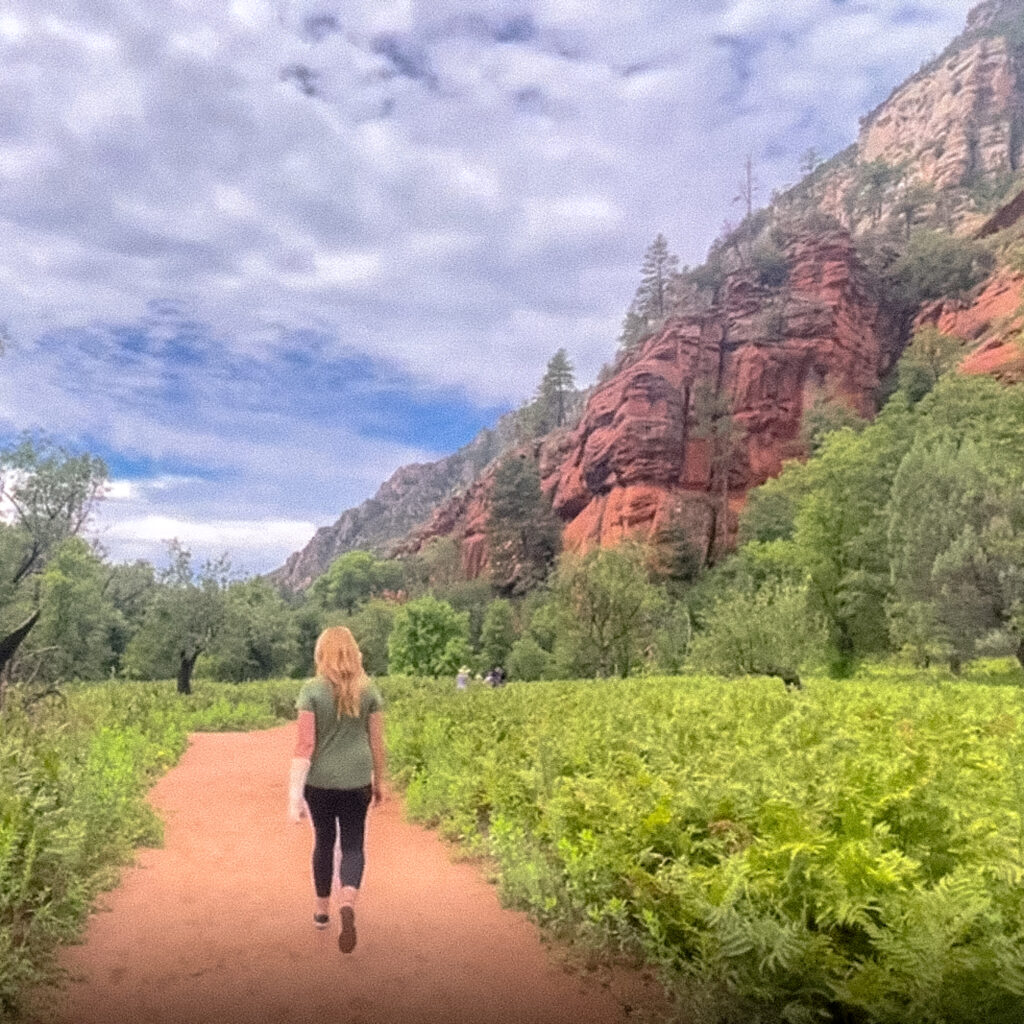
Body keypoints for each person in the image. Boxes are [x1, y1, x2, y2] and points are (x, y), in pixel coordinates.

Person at [288, 626, 386, 953]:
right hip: (358, 778)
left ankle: (320, 911)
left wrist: (295, 792)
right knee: (354, 844)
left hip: (320, 781)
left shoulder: (311, 691)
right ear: (353, 652)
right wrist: (380, 782)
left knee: (324, 841)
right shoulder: (369, 690)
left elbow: (305, 744)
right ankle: (348, 902)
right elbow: (377, 744)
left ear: (321, 653)